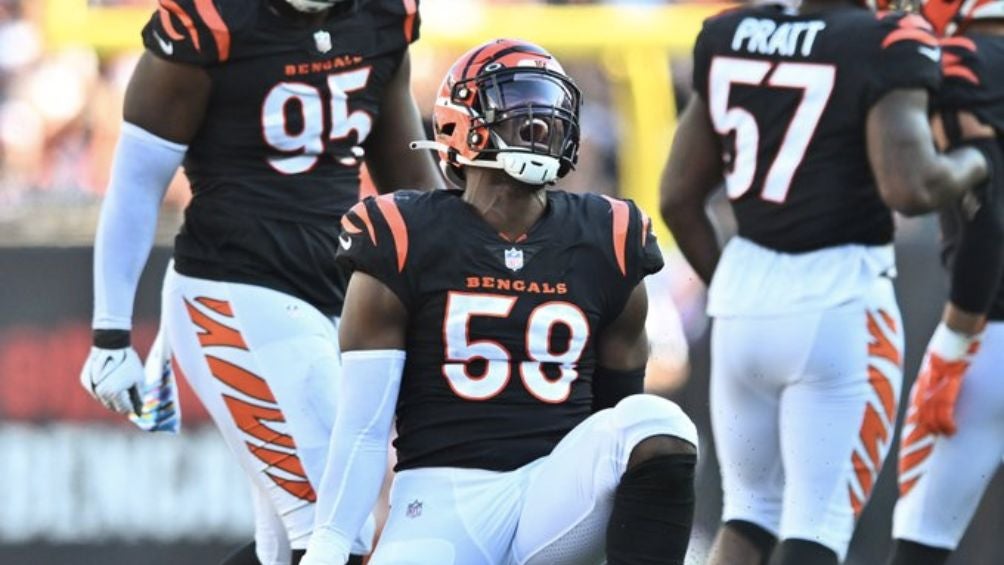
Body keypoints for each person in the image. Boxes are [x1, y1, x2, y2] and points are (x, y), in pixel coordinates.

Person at [299, 38, 699, 565]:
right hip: (440, 503)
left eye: (549, 106)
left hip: (554, 495)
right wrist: (328, 543)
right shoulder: (403, 233)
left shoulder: (609, 236)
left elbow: (616, 417)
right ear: (458, 122)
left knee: (658, 423)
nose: (539, 123)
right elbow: (363, 427)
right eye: (516, 103)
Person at [76, 1, 442, 564]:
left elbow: (407, 176)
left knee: (291, 543)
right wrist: (110, 331)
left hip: (335, 295)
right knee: (335, 525)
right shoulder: (212, 20)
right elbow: (137, 179)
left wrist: (465, 275)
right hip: (232, 291)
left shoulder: (380, 15)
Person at [659, 0, 996, 563]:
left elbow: (676, 198)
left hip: (743, 304)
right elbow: (910, 186)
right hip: (840, 303)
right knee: (819, 523)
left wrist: (738, 292)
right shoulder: (884, 39)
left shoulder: (732, 31)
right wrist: (976, 161)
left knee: (747, 515)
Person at [889, 1, 1004, 563]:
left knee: (921, 537)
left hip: (989, 335)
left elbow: (987, 220)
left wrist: (953, 350)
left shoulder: (963, 60)